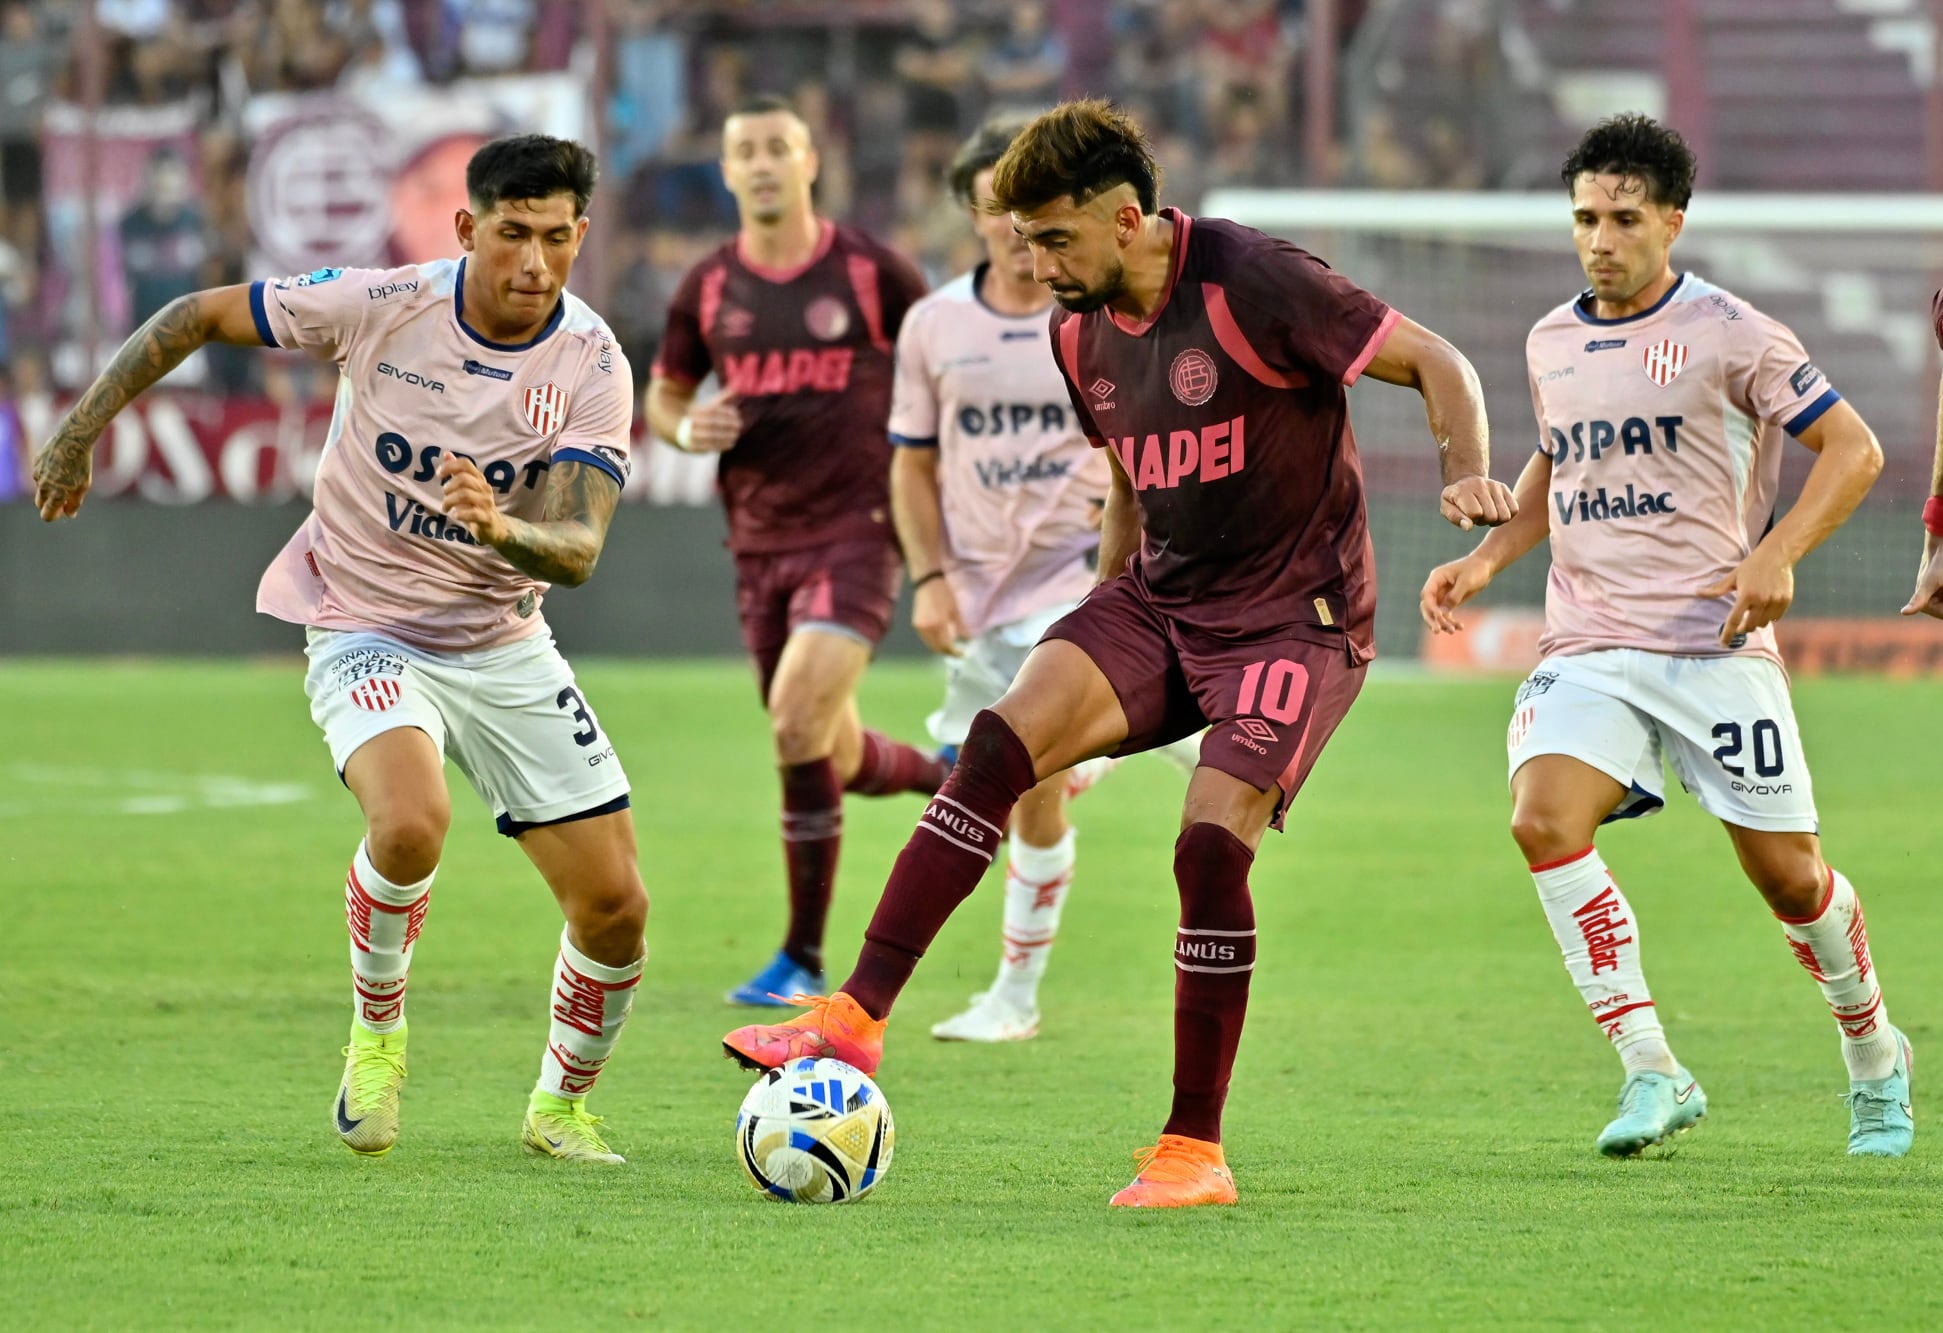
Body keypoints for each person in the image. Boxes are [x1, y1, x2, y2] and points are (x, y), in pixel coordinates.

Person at [725, 98, 1513, 1207]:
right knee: (997, 743)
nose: (1031, 261)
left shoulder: (1252, 278)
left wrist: (1462, 470)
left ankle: (1193, 1150)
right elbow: (1129, 479)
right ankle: (852, 1019)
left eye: (1052, 239)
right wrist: (1096, 621)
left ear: (1128, 220)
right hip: (1157, 598)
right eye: (1021, 238)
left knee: (1205, 847)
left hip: (1294, 619)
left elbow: (1440, 363)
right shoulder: (1072, 329)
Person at [33, 134, 648, 1165]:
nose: (532, 263)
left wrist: (505, 531)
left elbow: (578, 549)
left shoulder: (591, 363)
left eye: (554, 238)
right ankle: (376, 1035)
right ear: (466, 228)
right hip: (363, 620)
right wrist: (75, 431)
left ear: (580, 235)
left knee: (617, 907)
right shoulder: (383, 302)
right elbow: (194, 315)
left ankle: (559, 1109)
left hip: (502, 641)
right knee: (410, 824)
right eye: (510, 235)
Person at [1421, 114, 1909, 1158]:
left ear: (1670, 222)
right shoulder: (1550, 337)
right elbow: (1558, 465)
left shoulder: (1736, 333)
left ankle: (1873, 1053)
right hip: (1588, 638)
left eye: (1622, 219)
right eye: (1583, 218)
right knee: (1540, 819)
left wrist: (1775, 552)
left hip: (1711, 641)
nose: (1599, 239)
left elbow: (1853, 449)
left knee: (1788, 879)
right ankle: (1651, 1068)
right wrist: (1483, 560)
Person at [891, 113, 1197, 1044]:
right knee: (991, 772)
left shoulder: (1105, 313)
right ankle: (1158, 728)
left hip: (1075, 582)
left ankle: (1014, 996)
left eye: (1032, 216)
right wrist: (931, 576)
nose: (1014, 232)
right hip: (980, 598)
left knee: (1028, 777)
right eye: (996, 211)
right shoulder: (935, 325)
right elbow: (911, 461)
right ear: (976, 216)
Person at [644, 95, 946, 1008]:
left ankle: (804, 961)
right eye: (747, 150)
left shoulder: (871, 272)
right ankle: (961, 778)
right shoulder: (706, 286)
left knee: (792, 723)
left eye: (780, 147)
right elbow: (664, 396)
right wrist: (687, 428)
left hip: (858, 527)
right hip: (758, 539)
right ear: (728, 171)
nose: (765, 163)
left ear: (811, 160)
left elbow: (941, 362)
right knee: (830, 748)